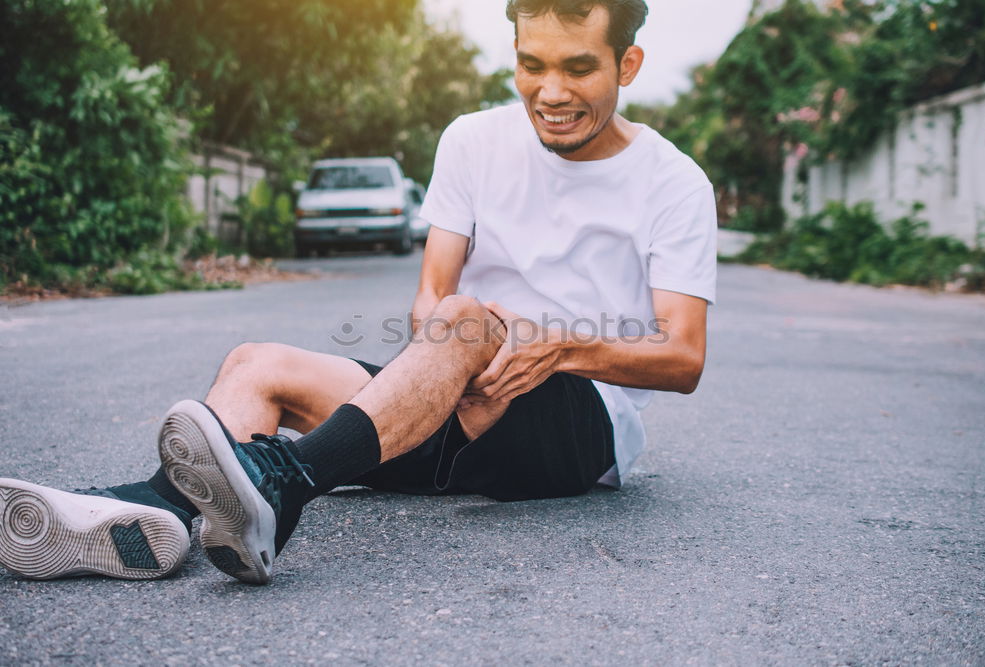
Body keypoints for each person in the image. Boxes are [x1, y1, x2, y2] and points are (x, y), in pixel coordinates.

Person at [0, 0, 716, 585]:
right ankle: (150, 518)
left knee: (465, 317)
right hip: (448, 393)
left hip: (578, 417)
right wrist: (447, 370)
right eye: (531, 65)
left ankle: (286, 480)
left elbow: (682, 356)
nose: (550, 92)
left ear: (628, 64)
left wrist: (563, 346)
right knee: (256, 363)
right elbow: (428, 298)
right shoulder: (472, 140)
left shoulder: (672, 181)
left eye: (578, 68)